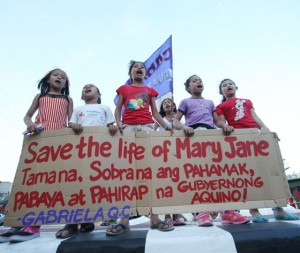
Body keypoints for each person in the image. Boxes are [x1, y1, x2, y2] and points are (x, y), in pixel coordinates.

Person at [0, 68, 73, 243]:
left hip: (57, 144)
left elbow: (71, 121)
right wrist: (31, 123)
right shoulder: (39, 97)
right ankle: (17, 223)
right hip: (38, 140)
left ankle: (33, 226)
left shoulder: (67, 100)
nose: (59, 78)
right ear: (47, 79)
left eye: (63, 77)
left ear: (65, 84)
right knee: (29, 182)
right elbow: (27, 116)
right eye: (56, 75)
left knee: (44, 183)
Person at [217, 78, 300, 222]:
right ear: (221, 91)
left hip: (255, 134)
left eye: (230, 83)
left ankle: (278, 208)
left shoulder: (247, 101)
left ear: (236, 87)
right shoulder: (220, 106)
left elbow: (255, 116)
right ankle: (254, 210)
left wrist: (266, 130)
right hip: (238, 137)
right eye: (224, 85)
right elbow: (221, 122)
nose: (228, 86)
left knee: (267, 172)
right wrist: (224, 127)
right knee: (247, 174)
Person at [106, 60, 174, 236]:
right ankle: (124, 220)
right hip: (128, 128)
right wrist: (119, 123)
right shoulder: (124, 89)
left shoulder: (150, 91)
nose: (139, 69)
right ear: (130, 73)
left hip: (147, 128)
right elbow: (118, 109)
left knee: (149, 172)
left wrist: (167, 127)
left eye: (142, 67)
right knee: (127, 173)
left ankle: (154, 217)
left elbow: (156, 113)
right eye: (135, 67)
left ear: (146, 73)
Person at [172, 75, 250, 226]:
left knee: (219, 173)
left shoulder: (210, 102)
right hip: (194, 136)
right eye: (194, 81)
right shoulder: (185, 101)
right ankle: (203, 212)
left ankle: (228, 212)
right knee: (200, 175)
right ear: (188, 87)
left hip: (212, 136)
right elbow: (176, 121)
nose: (199, 82)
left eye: (200, 80)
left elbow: (218, 122)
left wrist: (224, 126)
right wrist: (184, 127)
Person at [55, 83, 118, 239]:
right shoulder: (77, 110)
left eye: (91, 86)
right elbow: (70, 124)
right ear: (82, 96)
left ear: (99, 94)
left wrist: (112, 128)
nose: (87, 87)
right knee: (75, 185)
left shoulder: (105, 108)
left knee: (91, 186)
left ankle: (87, 220)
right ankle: (71, 222)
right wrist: (74, 125)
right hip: (79, 151)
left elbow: (111, 125)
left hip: (98, 152)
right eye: (84, 87)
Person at [154, 98, 186, 226]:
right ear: (162, 107)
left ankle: (177, 216)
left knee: (178, 183)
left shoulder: (178, 120)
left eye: (170, 102)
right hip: (164, 154)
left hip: (178, 153)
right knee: (167, 184)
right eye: (164, 103)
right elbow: (153, 131)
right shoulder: (159, 120)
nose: (167, 104)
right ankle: (167, 215)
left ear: (174, 105)